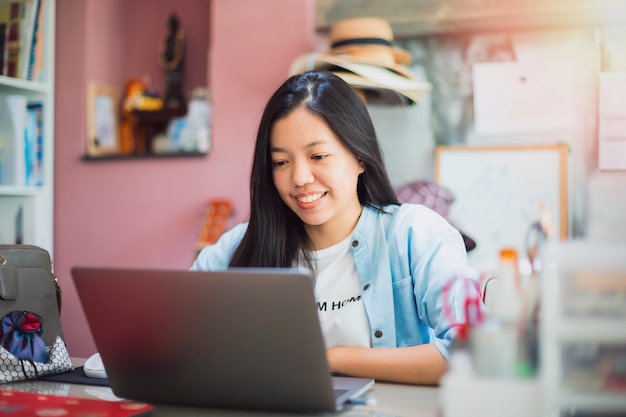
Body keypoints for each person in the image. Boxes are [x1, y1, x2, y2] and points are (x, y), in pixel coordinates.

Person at [191, 70, 480, 385]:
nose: (300, 178)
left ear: (360, 157)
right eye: (280, 162)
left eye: (318, 156)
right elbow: (178, 336)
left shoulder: (415, 233)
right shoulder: (240, 246)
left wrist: (329, 359)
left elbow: (471, 352)